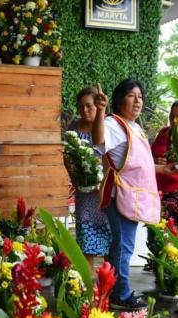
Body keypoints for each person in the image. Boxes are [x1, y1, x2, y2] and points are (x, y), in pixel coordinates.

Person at [92, 79, 171, 310]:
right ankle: (121, 294)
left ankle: (111, 289)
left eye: (140, 96)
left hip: (133, 197)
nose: (137, 100)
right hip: (121, 195)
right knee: (123, 246)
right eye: (131, 96)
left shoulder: (135, 127)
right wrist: (100, 111)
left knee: (122, 246)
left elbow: (140, 165)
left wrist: (164, 169)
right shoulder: (113, 123)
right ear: (119, 100)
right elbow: (98, 140)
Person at [65, 86, 111, 270]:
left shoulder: (107, 125)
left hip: (104, 190)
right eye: (81, 106)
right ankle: (86, 284)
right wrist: (75, 178)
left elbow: (112, 157)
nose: (84, 110)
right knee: (86, 234)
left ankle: (109, 283)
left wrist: (103, 183)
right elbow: (67, 155)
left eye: (89, 106)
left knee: (109, 235)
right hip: (84, 192)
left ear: (97, 106)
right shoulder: (74, 127)